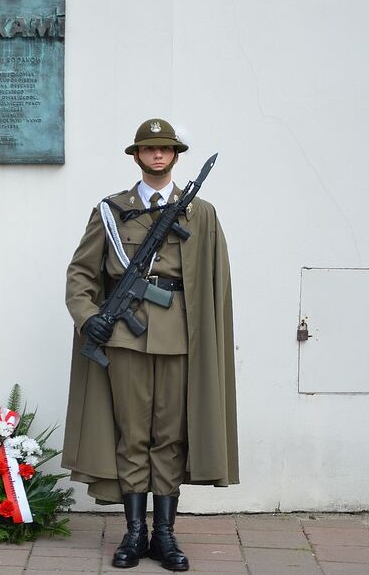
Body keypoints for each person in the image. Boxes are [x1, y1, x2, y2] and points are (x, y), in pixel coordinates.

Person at [62, 118, 238, 571]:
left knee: (170, 436)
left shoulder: (200, 212)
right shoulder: (111, 210)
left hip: (180, 335)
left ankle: (165, 535)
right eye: (149, 149)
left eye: (165, 149)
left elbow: (215, 283)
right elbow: (81, 274)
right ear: (136, 156)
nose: (157, 156)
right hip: (125, 337)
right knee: (132, 436)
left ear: (175, 155)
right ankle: (134, 533)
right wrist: (90, 320)